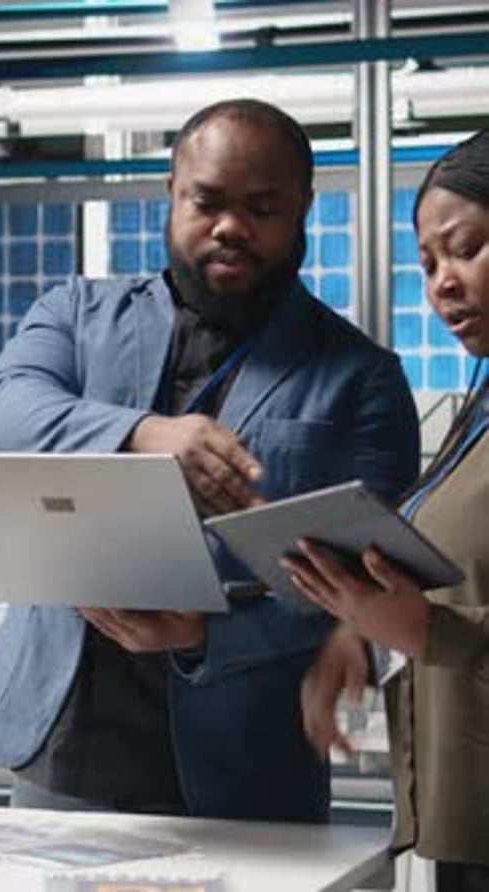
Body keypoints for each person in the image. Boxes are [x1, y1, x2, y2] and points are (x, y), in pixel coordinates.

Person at [0, 98, 419, 822]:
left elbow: (376, 588)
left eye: (262, 206)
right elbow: (2, 411)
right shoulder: (73, 312)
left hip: (249, 768)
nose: (230, 226)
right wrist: (142, 433)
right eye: (207, 201)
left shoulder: (361, 377)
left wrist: (204, 633)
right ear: (172, 193)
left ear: (303, 209)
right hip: (62, 747)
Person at [281, 130, 489, 888]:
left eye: (465, 248)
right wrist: (364, 634)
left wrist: (431, 632)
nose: (442, 283)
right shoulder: (479, 413)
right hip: (465, 820)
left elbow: (452, 620)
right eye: (429, 264)